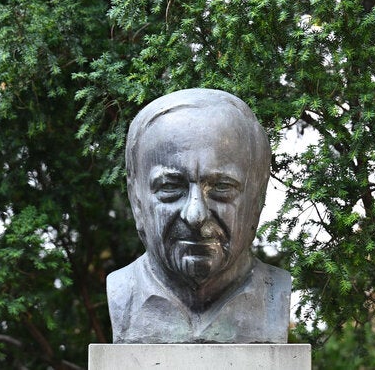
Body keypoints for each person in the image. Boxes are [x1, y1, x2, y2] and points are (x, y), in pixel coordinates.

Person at [107, 88, 291, 343]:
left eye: (222, 187)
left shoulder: (274, 294)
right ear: (136, 198)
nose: (195, 216)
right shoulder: (122, 294)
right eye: (170, 187)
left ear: (257, 198)